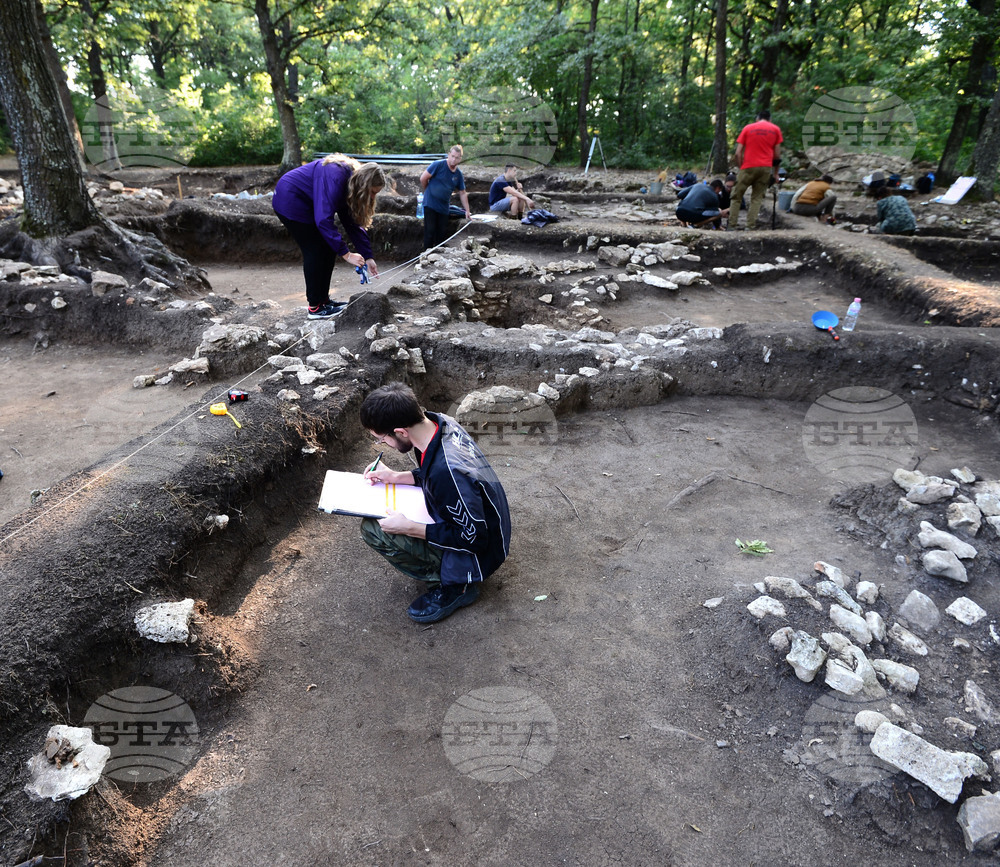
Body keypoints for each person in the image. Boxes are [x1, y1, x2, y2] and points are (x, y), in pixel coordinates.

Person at [358, 382, 511, 624]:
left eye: (382, 439)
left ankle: (457, 586)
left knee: (373, 529)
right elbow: (434, 474)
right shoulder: (439, 424)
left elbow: (474, 538)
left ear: (401, 432)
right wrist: (397, 477)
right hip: (489, 525)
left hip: (481, 555)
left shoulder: (447, 473)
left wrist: (409, 528)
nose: (383, 444)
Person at [272, 154, 385, 319]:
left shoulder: (351, 184)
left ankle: (324, 301)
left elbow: (351, 223)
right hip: (290, 199)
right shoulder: (336, 177)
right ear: (364, 185)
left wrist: (368, 256)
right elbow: (323, 219)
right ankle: (315, 307)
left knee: (329, 247)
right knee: (315, 249)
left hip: (307, 202)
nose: (373, 197)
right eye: (373, 192)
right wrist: (347, 254)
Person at [727, 109, 783, 231]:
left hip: (748, 166)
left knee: (736, 196)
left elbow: (738, 153)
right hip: (765, 168)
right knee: (757, 198)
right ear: (770, 119)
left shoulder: (748, 128)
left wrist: (741, 167)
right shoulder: (775, 130)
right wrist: (776, 173)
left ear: (757, 118)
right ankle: (750, 227)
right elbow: (777, 156)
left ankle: (731, 226)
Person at [420, 144, 472, 250]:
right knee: (429, 232)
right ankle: (425, 256)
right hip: (430, 204)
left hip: (444, 207)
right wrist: (428, 191)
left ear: (460, 159)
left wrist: (467, 210)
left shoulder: (458, 174)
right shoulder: (438, 165)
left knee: (441, 234)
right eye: (452, 156)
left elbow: (462, 192)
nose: (453, 159)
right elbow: (423, 178)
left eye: (457, 158)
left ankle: (438, 257)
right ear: (448, 155)